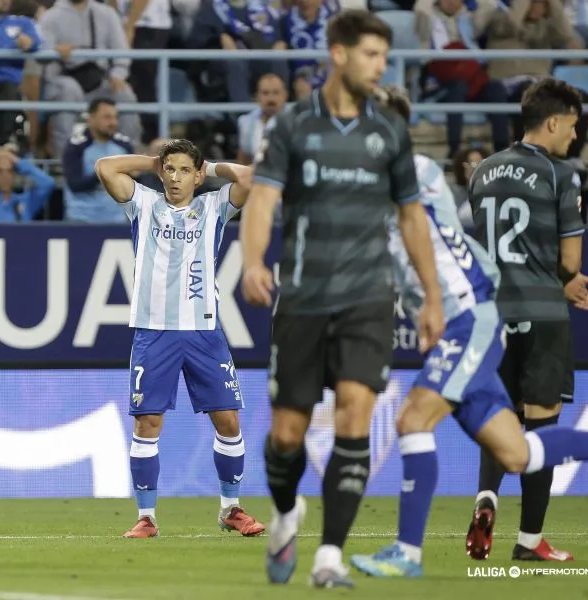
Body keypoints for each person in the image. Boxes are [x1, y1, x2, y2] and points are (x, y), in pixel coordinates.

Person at [350, 85, 588, 578]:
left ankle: (407, 553)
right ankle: (525, 533)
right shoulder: (417, 174)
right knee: (520, 450)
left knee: (413, 420)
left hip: (469, 316)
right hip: (497, 309)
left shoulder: (451, 172)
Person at [240, 9, 445, 589]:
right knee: (287, 435)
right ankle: (287, 513)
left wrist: (431, 297)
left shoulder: (390, 131)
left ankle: (329, 557)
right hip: (303, 298)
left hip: (369, 299)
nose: (380, 66)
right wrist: (252, 261)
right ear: (338, 54)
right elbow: (262, 199)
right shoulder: (293, 125)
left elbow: (412, 217)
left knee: (355, 413)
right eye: (371, 55)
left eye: (384, 56)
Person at [95, 139, 266, 539]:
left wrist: (212, 168)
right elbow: (105, 167)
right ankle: (147, 517)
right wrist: (152, 161)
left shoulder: (214, 206)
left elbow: (252, 179)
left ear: (197, 176)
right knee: (147, 422)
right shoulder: (143, 203)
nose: (175, 177)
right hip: (153, 330)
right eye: (169, 169)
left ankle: (231, 508)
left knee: (228, 419)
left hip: (204, 331)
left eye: (185, 170)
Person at [465, 77, 588, 563]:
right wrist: (567, 280)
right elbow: (568, 261)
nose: (576, 135)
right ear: (554, 122)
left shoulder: (482, 171)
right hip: (541, 314)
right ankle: (529, 541)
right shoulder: (562, 174)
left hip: (491, 316)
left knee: (500, 417)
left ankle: (486, 498)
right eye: (573, 125)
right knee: (542, 425)